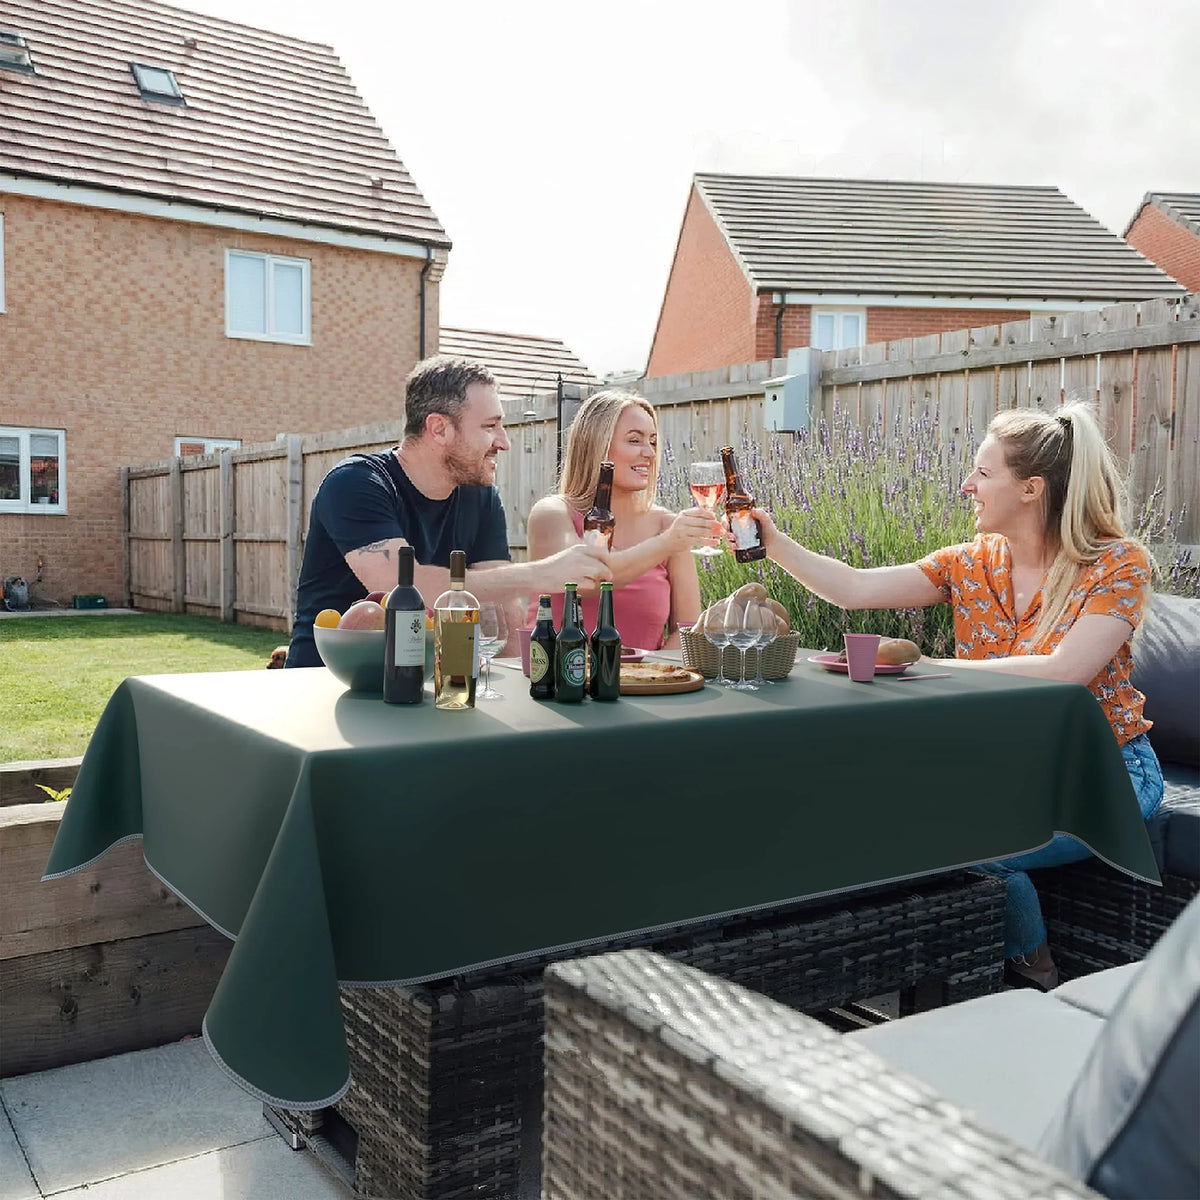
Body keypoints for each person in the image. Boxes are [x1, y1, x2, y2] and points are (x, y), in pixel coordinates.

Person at [745, 401, 1164, 989]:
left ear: (1031, 489)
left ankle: (1035, 968)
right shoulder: (973, 563)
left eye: (984, 473)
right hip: (1010, 773)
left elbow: (1066, 670)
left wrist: (931, 666)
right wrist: (774, 543)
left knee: (965, 849)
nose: (967, 485)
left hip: (1105, 774)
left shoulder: (1116, 564)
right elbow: (854, 589)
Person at [286, 356, 610, 667]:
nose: (504, 442)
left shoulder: (480, 496)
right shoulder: (356, 483)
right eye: (490, 426)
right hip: (322, 684)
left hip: (420, 686)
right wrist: (542, 573)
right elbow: (404, 587)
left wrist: (511, 681)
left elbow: (501, 602)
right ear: (439, 428)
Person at [525, 390, 722, 650]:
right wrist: (667, 543)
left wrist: (645, 670)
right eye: (634, 440)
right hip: (558, 674)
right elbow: (586, 580)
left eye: (652, 442)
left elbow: (687, 631)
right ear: (597, 446)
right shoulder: (552, 514)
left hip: (645, 675)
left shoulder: (667, 526)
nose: (649, 453)